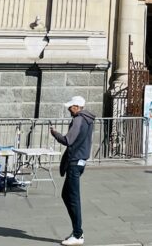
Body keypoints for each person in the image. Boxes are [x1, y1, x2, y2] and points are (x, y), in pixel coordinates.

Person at [49, 95, 96, 246]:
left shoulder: (78, 119)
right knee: (66, 195)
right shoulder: (88, 119)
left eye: (71, 106)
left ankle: (78, 234)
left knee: (73, 198)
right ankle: (77, 231)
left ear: (77, 106)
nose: (69, 109)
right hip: (80, 162)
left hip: (75, 162)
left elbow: (68, 140)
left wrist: (55, 133)